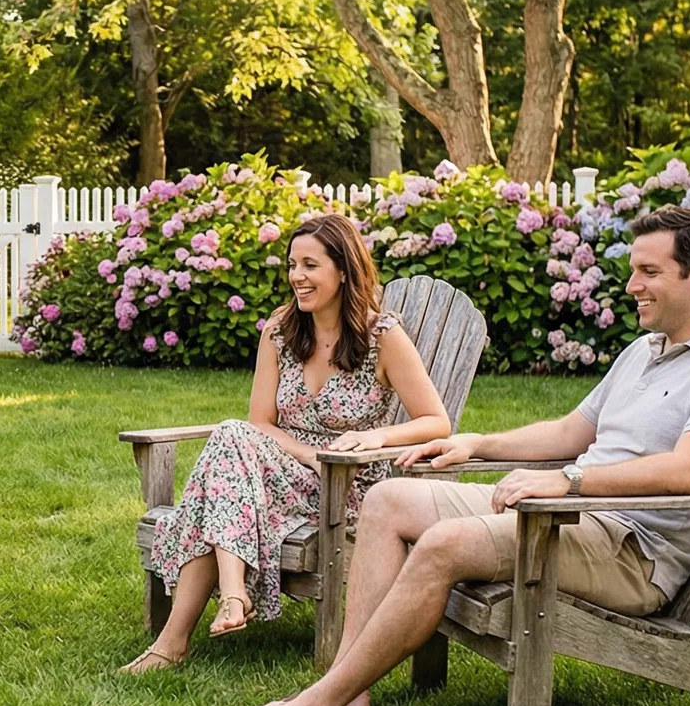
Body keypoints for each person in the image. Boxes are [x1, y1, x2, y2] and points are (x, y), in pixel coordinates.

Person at [214, 205, 690, 706]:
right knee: (388, 500)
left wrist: (570, 483)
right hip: (569, 517)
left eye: (648, 272)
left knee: (442, 544)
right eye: (634, 270)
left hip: (632, 549)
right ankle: (350, 689)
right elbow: (568, 433)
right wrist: (475, 443)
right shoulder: (645, 352)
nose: (632, 285)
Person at [120, 214, 452, 674]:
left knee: (221, 464)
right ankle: (231, 598)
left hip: (346, 485)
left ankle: (178, 639)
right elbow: (261, 423)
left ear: (343, 269)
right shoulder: (280, 330)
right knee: (233, 435)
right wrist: (308, 455)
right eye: (293, 264)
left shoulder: (383, 337)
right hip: (281, 469)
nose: (297, 276)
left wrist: (375, 436)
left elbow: (437, 421)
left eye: (310, 265)